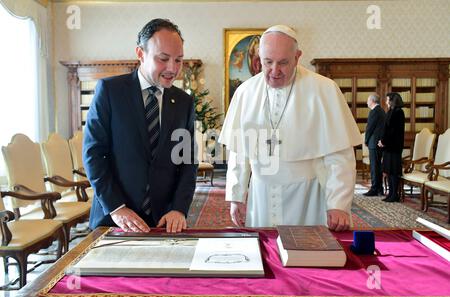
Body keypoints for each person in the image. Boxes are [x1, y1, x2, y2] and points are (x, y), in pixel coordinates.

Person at [219, 25, 361, 232]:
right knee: (264, 254)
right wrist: (236, 196)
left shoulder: (324, 90)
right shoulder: (245, 92)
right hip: (261, 194)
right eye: (268, 62)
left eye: (283, 62)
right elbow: (239, 152)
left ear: (297, 57)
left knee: (309, 254)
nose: (274, 71)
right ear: (259, 58)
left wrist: (337, 204)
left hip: (308, 195)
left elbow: (339, 154)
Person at [83, 19, 197, 233]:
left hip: (164, 221)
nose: (172, 68)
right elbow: (93, 154)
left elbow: (187, 161)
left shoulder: (184, 102)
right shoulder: (110, 91)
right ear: (140, 53)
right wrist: (116, 208)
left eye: (179, 60)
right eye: (163, 59)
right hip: (114, 218)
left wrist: (179, 209)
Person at [378, 92, 405, 202]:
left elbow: (392, 131)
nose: (386, 101)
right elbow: (386, 129)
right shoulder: (390, 111)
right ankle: (390, 193)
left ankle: (395, 194)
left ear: (393, 100)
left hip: (394, 146)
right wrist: (382, 141)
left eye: (387, 99)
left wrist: (383, 141)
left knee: (394, 171)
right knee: (388, 170)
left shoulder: (398, 112)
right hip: (388, 146)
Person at [363, 93, 386, 196]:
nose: (367, 102)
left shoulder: (374, 111)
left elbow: (369, 128)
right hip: (379, 142)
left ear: (372, 101)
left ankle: (374, 189)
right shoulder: (381, 111)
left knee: (374, 167)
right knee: (378, 167)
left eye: (368, 100)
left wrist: (366, 140)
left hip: (374, 143)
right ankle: (379, 188)